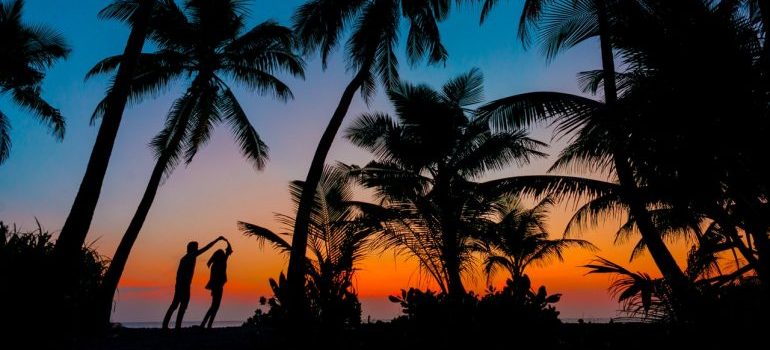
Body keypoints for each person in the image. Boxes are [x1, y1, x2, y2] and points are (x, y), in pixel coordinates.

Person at [162, 236, 225, 329]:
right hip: (183, 285)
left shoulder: (185, 258)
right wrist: (217, 240)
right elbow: (206, 248)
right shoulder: (190, 256)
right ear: (192, 249)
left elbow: (178, 274)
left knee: (177, 305)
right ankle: (173, 326)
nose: (198, 249)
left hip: (181, 284)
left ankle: (169, 325)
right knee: (180, 305)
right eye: (196, 247)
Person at [200, 238, 233, 328]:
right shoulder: (222, 262)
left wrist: (225, 240)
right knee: (215, 306)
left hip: (216, 287)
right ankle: (206, 324)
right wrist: (226, 241)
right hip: (218, 287)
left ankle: (206, 324)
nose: (224, 254)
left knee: (214, 306)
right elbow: (229, 249)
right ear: (220, 256)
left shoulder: (215, 265)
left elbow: (229, 250)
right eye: (222, 253)